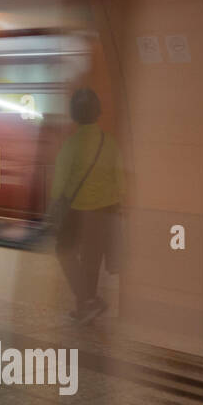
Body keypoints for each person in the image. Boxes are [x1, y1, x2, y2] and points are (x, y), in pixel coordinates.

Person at [50, 88, 124, 325]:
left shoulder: (72, 145)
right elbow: (120, 181)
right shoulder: (110, 142)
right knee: (91, 262)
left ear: (74, 114)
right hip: (106, 211)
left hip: (79, 211)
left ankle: (88, 301)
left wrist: (54, 206)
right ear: (97, 112)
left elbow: (59, 184)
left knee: (63, 250)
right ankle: (86, 307)